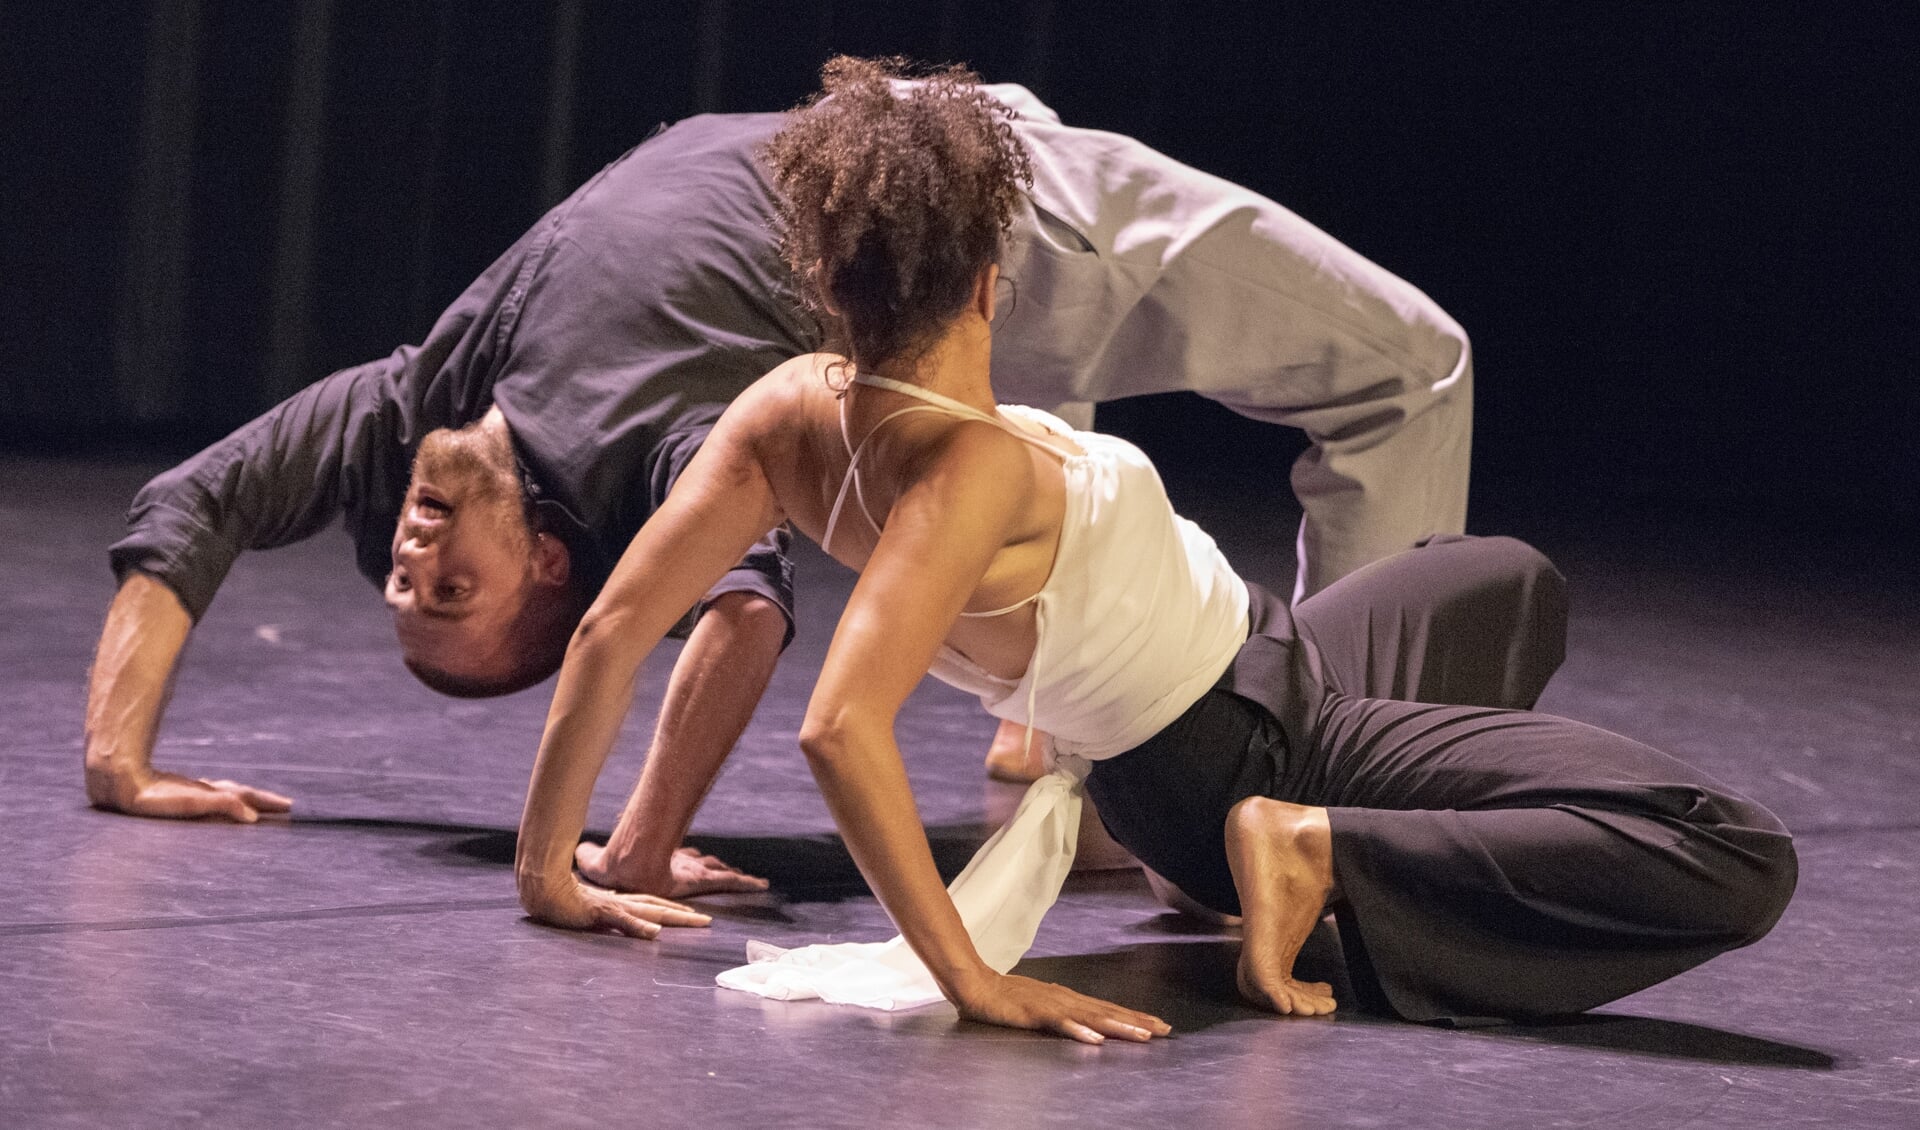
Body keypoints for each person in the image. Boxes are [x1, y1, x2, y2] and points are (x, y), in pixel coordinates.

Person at [514, 60, 1796, 1043]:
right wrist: (973, 977)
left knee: (1505, 581)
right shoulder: (966, 471)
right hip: (1243, 745)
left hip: (1265, 668)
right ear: (988, 280)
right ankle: (1318, 850)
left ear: (829, 282)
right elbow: (841, 725)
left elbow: (612, 627)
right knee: (1727, 847)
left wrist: (545, 867)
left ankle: (1356, 860)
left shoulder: (786, 408)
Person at [85, 64, 1474, 889]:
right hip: (976, 219)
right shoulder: (662, 460)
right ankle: (1327, 788)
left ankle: (1077, 728)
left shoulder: (426, 407)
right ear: (552, 565)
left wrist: (117, 759)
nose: (412, 553)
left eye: (408, 576)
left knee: (1020, 429)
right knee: (1409, 368)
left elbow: (194, 505)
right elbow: (738, 612)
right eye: (451, 589)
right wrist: (636, 848)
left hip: (899, 166)